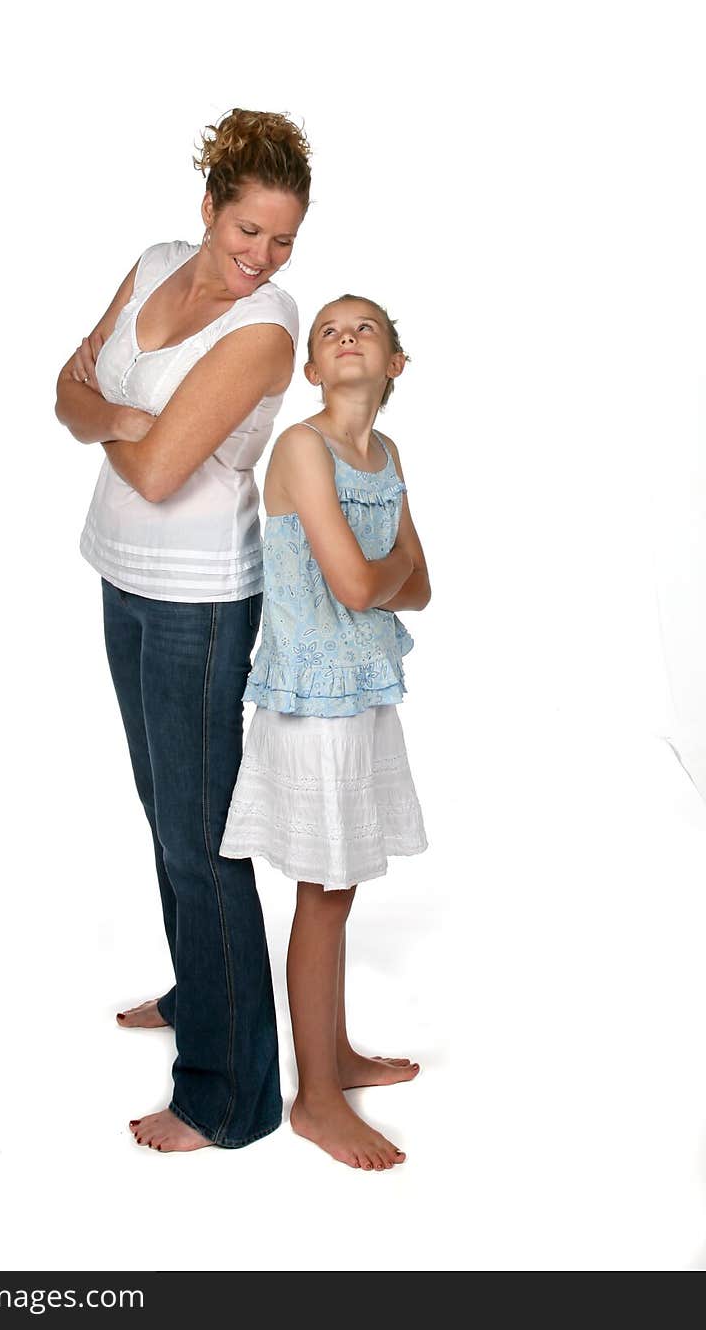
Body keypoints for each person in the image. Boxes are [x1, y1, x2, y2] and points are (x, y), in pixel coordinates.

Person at [54, 109, 312, 1152]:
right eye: (248, 230)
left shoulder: (267, 326)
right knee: (164, 809)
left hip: (200, 597)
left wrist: (108, 411)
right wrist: (121, 414)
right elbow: (63, 393)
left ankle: (228, 1094)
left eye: (283, 238)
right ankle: (201, 992)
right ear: (209, 209)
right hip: (121, 572)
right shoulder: (156, 264)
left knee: (202, 839)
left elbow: (162, 472)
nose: (262, 257)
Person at [219, 294, 431, 1169]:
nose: (345, 337)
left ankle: (333, 1055)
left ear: (395, 366)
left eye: (365, 328)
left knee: (340, 886)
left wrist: (387, 574)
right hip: (312, 701)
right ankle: (314, 1098)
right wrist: (389, 571)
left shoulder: (384, 453)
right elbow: (363, 584)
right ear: (312, 369)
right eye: (329, 332)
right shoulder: (302, 448)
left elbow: (422, 587)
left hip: (361, 695)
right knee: (324, 887)